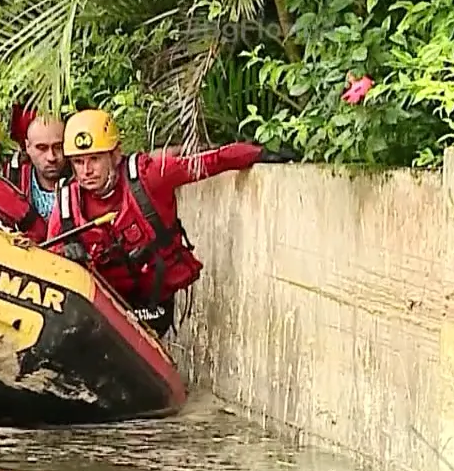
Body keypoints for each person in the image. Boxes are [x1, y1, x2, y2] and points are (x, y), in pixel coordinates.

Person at [45, 108, 295, 336]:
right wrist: (65, 256)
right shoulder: (67, 203)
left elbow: (212, 161)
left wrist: (260, 154)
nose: (87, 171)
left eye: (95, 159)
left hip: (151, 302)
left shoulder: (148, 176)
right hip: (100, 304)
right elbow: (48, 258)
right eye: (78, 162)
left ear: (115, 154)